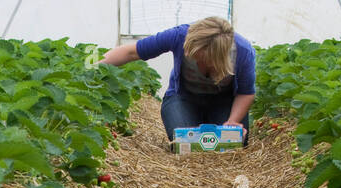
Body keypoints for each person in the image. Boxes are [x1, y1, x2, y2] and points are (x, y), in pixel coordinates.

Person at [101, 16, 256, 145]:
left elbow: (245, 92)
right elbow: (130, 52)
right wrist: (91, 67)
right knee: (184, 143)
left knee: (232, 143)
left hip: (223, 102)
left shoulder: (243, 52)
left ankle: (214, 121)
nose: (196, 61)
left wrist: (232, 122)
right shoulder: (180, 35)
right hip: (183, 99)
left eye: (201, 58)